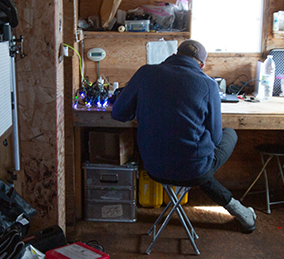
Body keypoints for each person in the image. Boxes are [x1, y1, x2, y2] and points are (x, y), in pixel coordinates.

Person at [110, 39, 257, 233]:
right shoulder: (208, 85)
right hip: (193, 170)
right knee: (228, 134)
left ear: (174, 54)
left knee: (193, 163)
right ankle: (241, 212)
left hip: (153, 166)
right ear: (202, 65)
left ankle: (241, 212)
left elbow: (118, 114)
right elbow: (214, 139)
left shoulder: (145, 73)